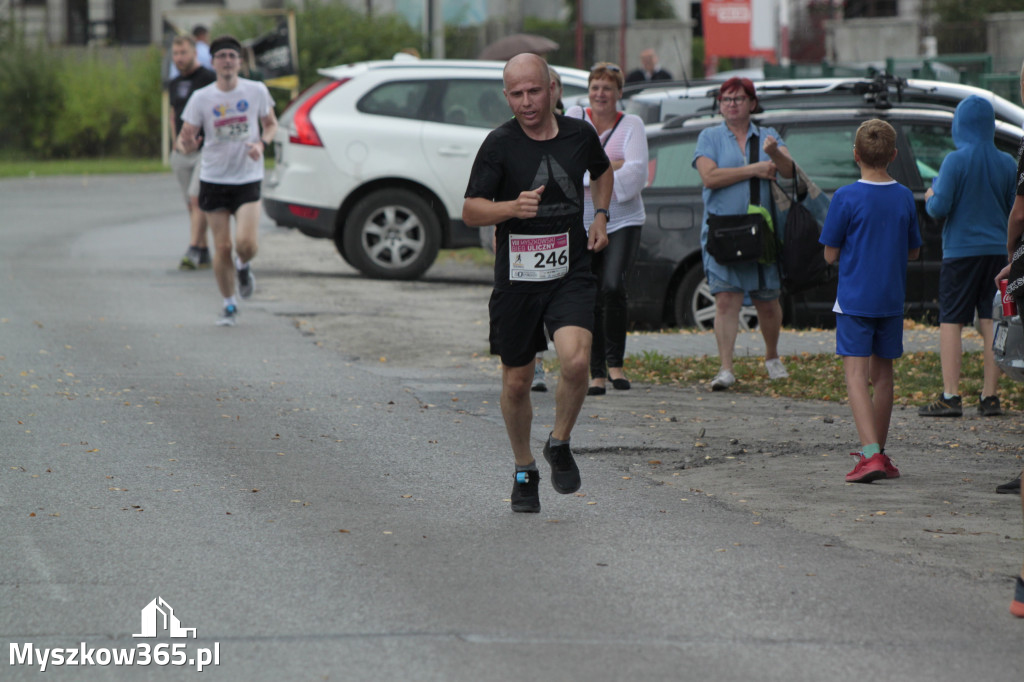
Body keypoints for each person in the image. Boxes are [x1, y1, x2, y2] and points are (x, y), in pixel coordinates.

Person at [462, 53, 613, 513]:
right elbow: (471, 209)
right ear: (506, 97)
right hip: (518, 277)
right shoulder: (499, 144)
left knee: (577, 361)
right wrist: (510, 208)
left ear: (552, 89)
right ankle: (524, 467)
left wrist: (600, 216)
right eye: (516, 94)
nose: (526, 102)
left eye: (533, 91)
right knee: (516, 382)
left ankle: (560, 442)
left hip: (569, 270)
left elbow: (603, 173)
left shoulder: (579, 134)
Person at [820, 119, 922, 483]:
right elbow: (913, 252)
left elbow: (830, 254)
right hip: (891, 299)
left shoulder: (845, 197)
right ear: (893, 155)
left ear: (855, 155)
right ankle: (880, 450)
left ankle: (869, 454)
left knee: (855, 375)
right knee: (884, 377)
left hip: (854, 299)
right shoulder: (904, 196)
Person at [917, 95, 1015, 419]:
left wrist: (931, 195)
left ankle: (950, 395)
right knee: (991, 321)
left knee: (951, 321)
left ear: (959, 125)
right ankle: (989, 397)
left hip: (960, 253)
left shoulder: (954, 161)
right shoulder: (1008, 163)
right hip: (997, 254)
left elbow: (939, 208)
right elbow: (1014, 208)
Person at [693, 77, 794, 390]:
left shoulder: (767, 135)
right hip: (723, 230)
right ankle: (726, 368)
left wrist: (774, 155)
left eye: (738, 99)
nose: (731, 104)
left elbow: (789, 171)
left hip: (762, 231)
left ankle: (772, 356)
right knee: (725, 300)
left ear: (752, 103)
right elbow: (709, 177)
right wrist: (754, 169)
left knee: (767, 300)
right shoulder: (709, 136)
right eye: (726, 99)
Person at [178, 35, 278, 326]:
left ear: (240, 62)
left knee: (245, 244)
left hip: (247, 177)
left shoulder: (256, 90)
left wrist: (261, 145)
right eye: (221, 56)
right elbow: (185, 140)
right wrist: (188, 145)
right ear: (213, 62)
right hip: (214, 178)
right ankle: (229, 303)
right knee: (221, 247)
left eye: (232, 56)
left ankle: (244, 266)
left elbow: (270, 125)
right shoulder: (202, 98)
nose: (226, 61)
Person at [566, 63, 647, 395]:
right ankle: (595, 371)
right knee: (590, 293)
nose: (601, 94)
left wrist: (593, 170)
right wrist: (609, 167)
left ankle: (616, 364)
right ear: (588, 91)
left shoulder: (632, 124)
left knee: (613, 287)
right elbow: (567, 165)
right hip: (582, 219)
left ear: (619, 93)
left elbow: (636, 174)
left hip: (624, 218)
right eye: (595, 87)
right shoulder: (574, 115)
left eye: (608, 88)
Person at [531, 66, 568, 393]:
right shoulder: (516, 133)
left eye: (551, 85)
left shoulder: (574, 130)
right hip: (528, 239)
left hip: (568, 236)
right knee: (534, 304)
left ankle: (575, 364)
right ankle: (537, 365)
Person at [168, 35, 216, 270]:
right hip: (181, 151)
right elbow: (172, 113)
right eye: (175, 54)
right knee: (191, 202)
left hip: (204, 150)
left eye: (183, 53)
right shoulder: (174, 82)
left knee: (198, 198)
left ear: (194, 53)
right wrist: (175, 141)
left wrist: (201, 139)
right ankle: (204, 250)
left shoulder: (208, 78)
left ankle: (193, 249)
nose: (179, 58)